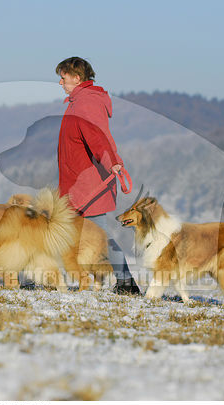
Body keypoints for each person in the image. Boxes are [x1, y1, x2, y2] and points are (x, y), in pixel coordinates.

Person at [56, 56, 140, 294]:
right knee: (75, 232)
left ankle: (126, 283)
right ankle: (121, 282)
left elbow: (97, 137)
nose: (60, 83)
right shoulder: (77, 101)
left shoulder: (86, 103)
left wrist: (111, 162)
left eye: (63, 78)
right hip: (78, 180)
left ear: (76, 77)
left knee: (98, 235)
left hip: (89, 182)